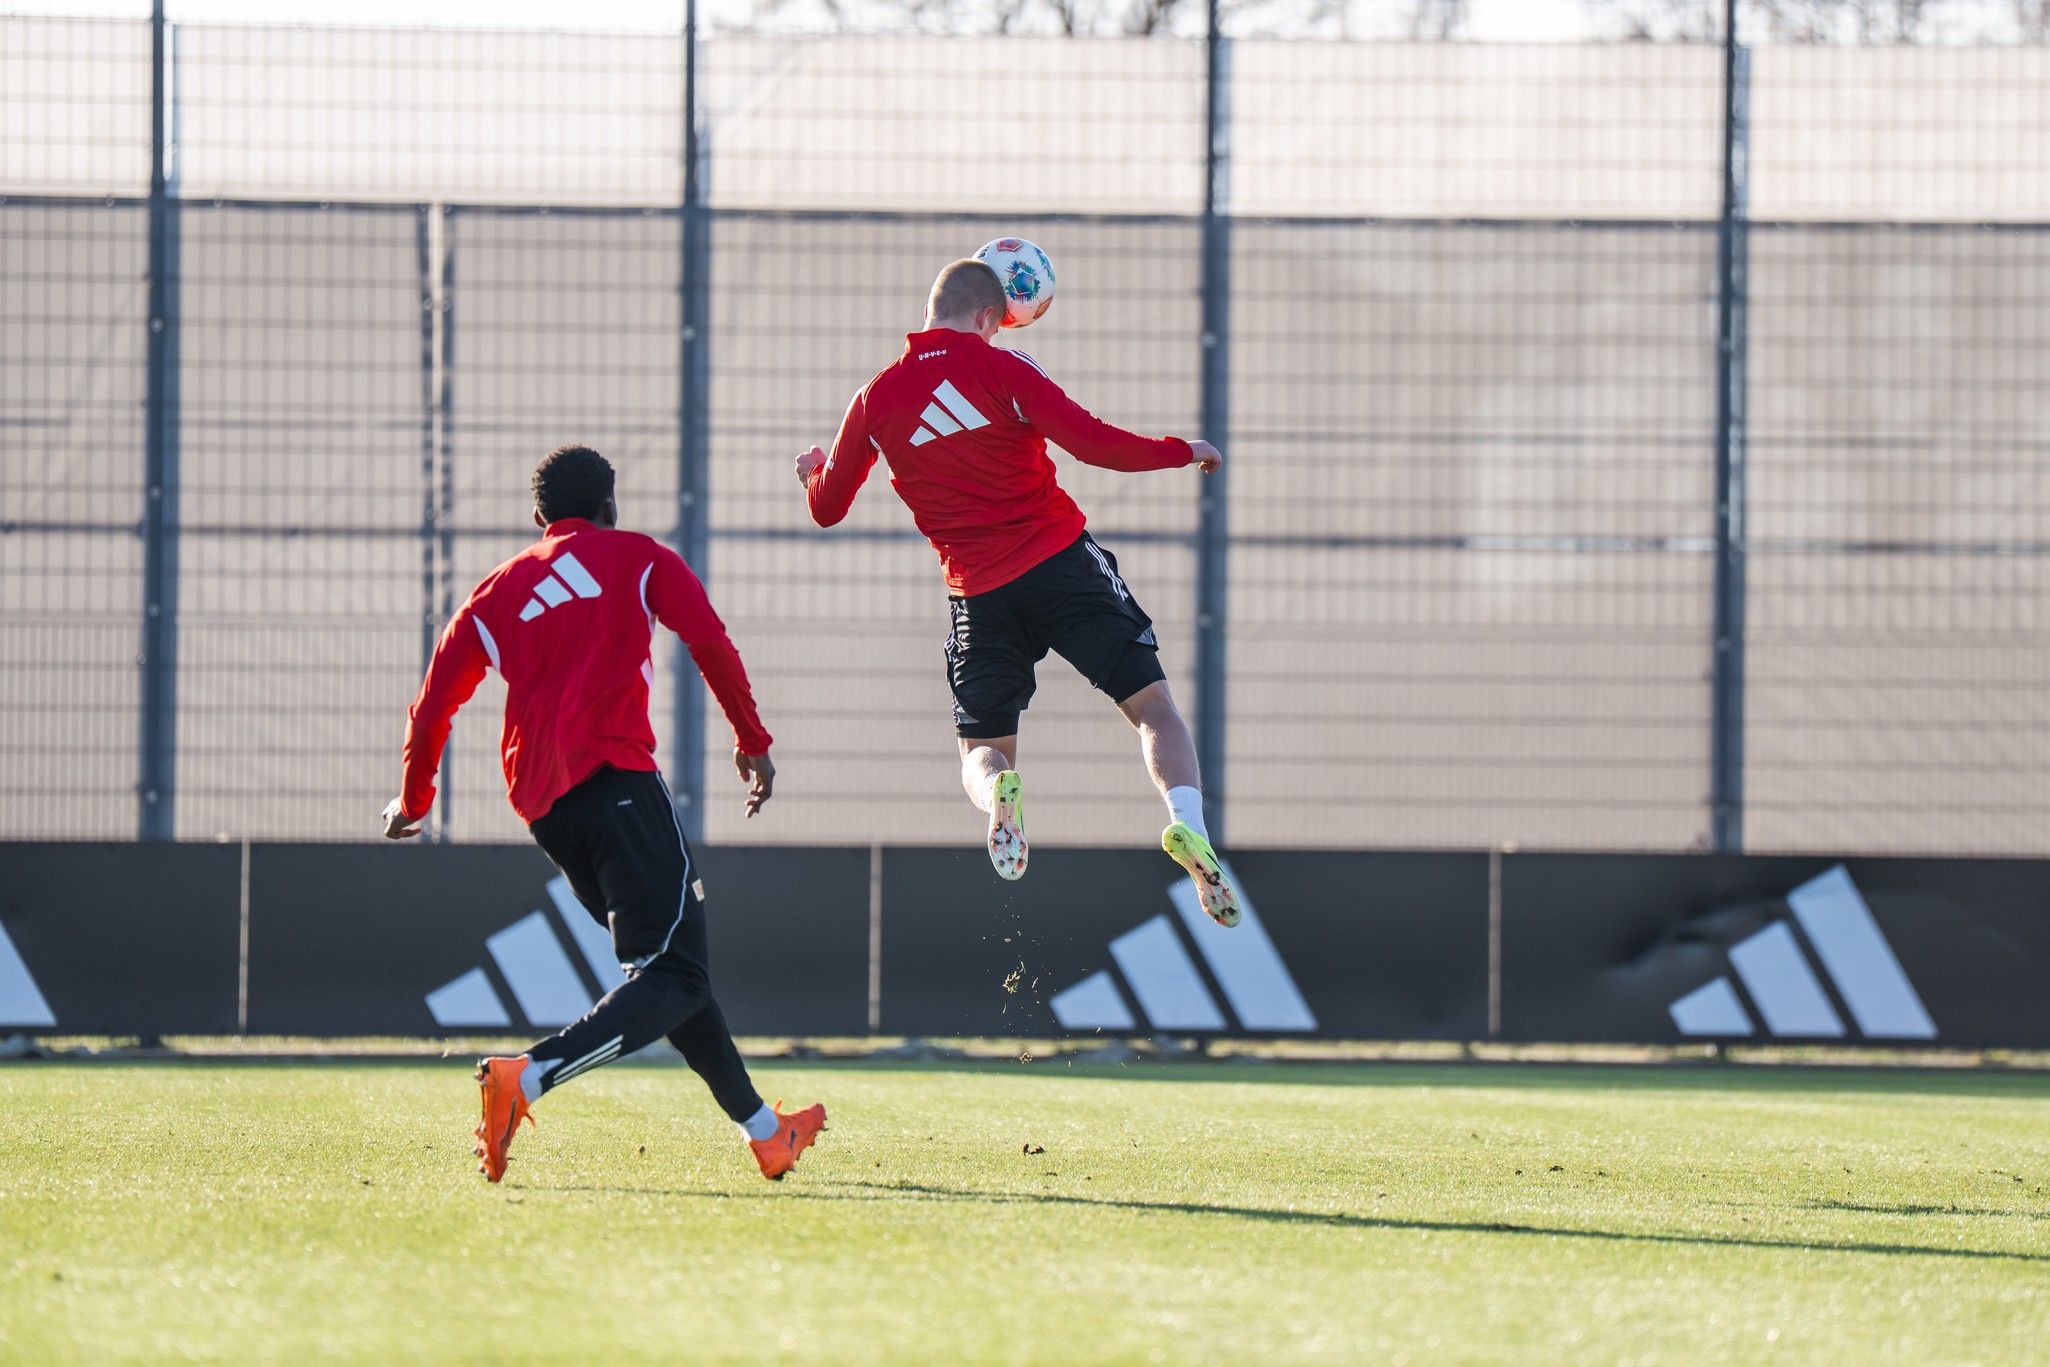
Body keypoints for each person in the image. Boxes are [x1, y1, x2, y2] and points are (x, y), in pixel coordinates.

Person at [382, 444, 826, 1184]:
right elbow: (709, 640)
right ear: (611, 506)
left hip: (548, 810)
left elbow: (433, 707)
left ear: (539, 519)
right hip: (617, 779)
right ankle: (527, 1076)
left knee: (671, 973)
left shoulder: (496, 593)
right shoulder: (639, 558)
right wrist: (752, 741)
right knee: (675, 973)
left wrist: (415, 799)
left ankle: (765, 1132)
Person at [796, 259, 1241, 927]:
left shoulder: (876, 398)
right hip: (1063, 565)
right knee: (1153, 709)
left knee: (982, 749)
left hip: (978, 595)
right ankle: (1187, 823)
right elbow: (1094, 443)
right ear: (986, 318)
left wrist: (813, 473)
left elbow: (827, 508)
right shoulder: (1006, 372)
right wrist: (1183, 450)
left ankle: (999, 791)